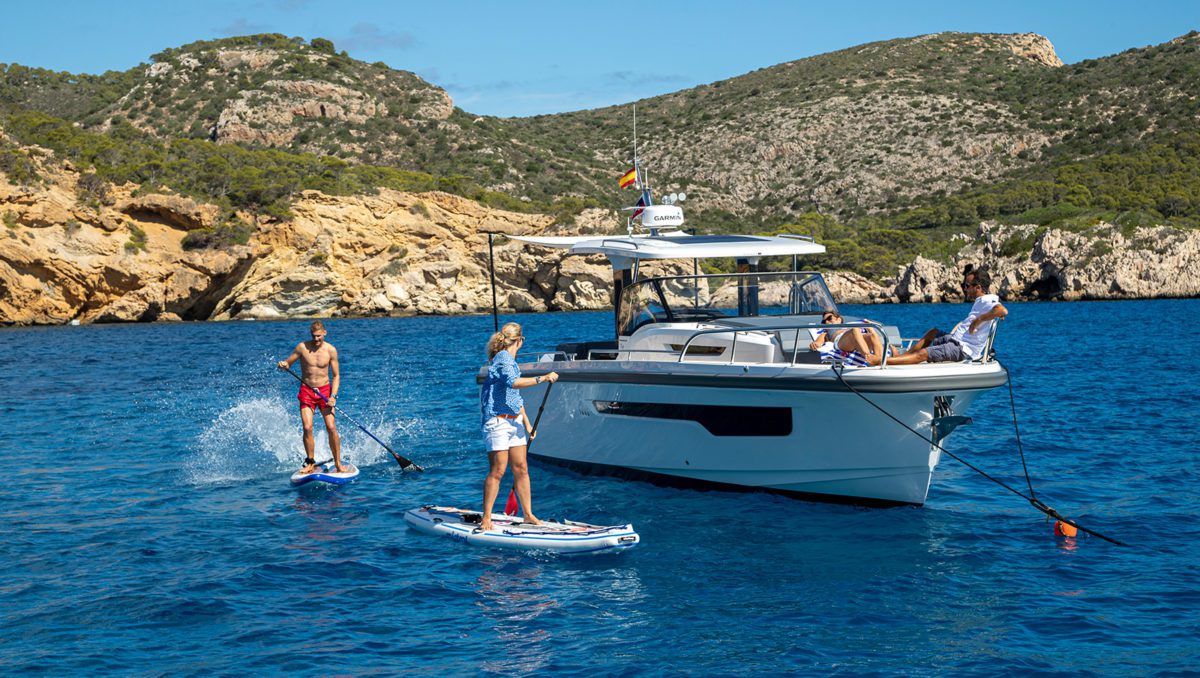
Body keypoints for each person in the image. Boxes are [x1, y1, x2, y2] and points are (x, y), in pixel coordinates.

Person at [479, 322, 559, 532]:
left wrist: (527, 422)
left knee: (521, 468)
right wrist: (543, 378)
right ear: (519, 341)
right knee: (498, 470)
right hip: (497, 422)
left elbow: (514, 396)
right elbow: (514, 383)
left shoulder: (511, 360)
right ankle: (486, 518)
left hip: (514, 421)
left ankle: (528, 515)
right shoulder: (503, 359)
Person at [888, 268, 1008, 365]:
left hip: (963, 350)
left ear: (978, 287)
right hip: (957, 340)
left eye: (967, 285)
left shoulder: (986, 300)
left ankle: (883, 362)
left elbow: (1002, 310)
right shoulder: (982, 301)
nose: (965, 289)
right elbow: (996, 310)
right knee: (933, 333)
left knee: (924, 353)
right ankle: (902, 357)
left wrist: (977, 320)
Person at [277, 320, 346, 473]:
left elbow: (336, 376)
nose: (316, 339)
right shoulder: (302, 347)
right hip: (307, 391)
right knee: (307, 427)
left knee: (331, 427)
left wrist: (333, 396)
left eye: (319, 336)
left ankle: (338, 463)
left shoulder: (331, 350)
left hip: (324, 392)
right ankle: (310, 462)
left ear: (325, 333)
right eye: (314, 336)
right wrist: (283, 365)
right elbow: (289, 363)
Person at [809, 310, 888, 366]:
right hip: (840, 341)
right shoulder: (826, 332)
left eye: (829, 318)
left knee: (872, 336)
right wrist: (815, 344)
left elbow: (873, 336)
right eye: (823, 322)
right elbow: (818, 342)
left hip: (857, 338)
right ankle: (869, 357)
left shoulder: (846, 327)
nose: (826, 322)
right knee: (855, 330)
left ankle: (881, 362)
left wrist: (869, 326)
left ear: (839, 319)